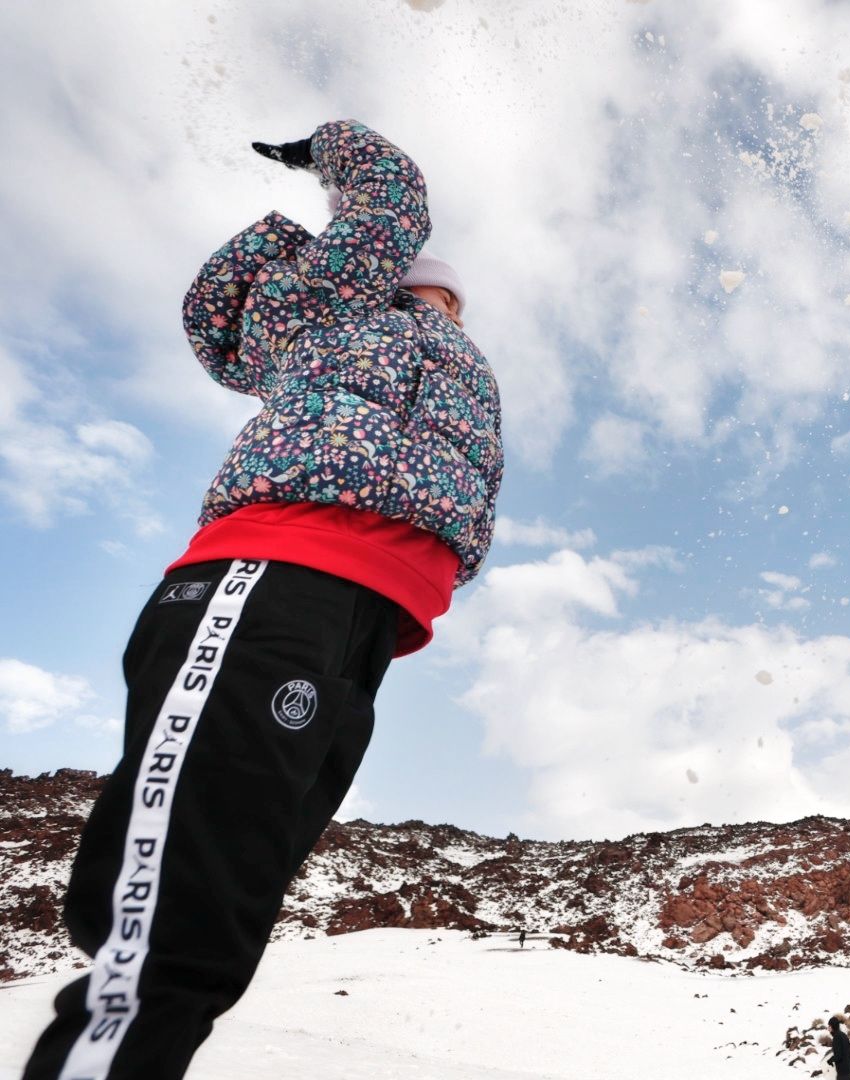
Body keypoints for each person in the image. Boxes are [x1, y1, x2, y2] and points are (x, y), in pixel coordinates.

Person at [22, 120, 503, 1080]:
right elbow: (391, 196)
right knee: (169, 930)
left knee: (222, 909)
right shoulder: (336, 305)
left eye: (454, 296)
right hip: (274, 575)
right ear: (386, 270)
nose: (453, 303)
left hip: (364, 620)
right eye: (435, 284)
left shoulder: (446, 358)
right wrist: (328, 147)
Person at [827, 1015, 850, 1080]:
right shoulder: (843, 1035)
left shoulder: (836, 1038)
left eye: (829, 1026)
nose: (828, 1028)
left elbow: (838, 1056)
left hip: (843, 1072)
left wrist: (830, 1060)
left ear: (833, 1026)